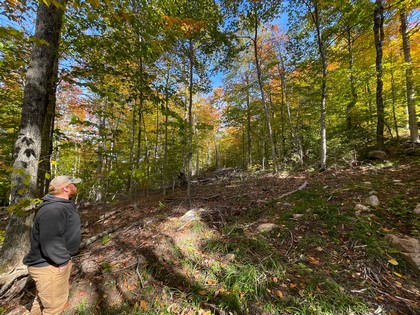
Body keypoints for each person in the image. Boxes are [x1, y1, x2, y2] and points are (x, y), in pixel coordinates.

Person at [23, 175, 82, 315]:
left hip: (51, 265)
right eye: (73, 184)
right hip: (49, 266)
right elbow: (51, 240)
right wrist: (62, 261)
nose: (76, 187)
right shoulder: (54, 210)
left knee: (41, 302)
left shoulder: (61, 206)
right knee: (54, 308)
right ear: (66, 188)